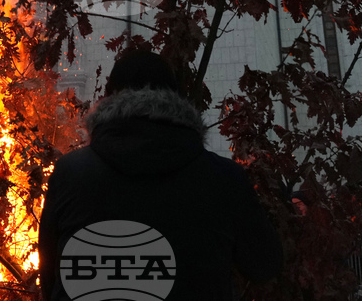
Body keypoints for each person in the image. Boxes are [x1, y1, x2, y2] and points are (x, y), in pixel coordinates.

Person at [38, 50, 282, 301]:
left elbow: (49, 277)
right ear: (177, 101)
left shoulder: (71, 173)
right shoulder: (223, 177)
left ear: (107, 100)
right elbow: (264, 265)